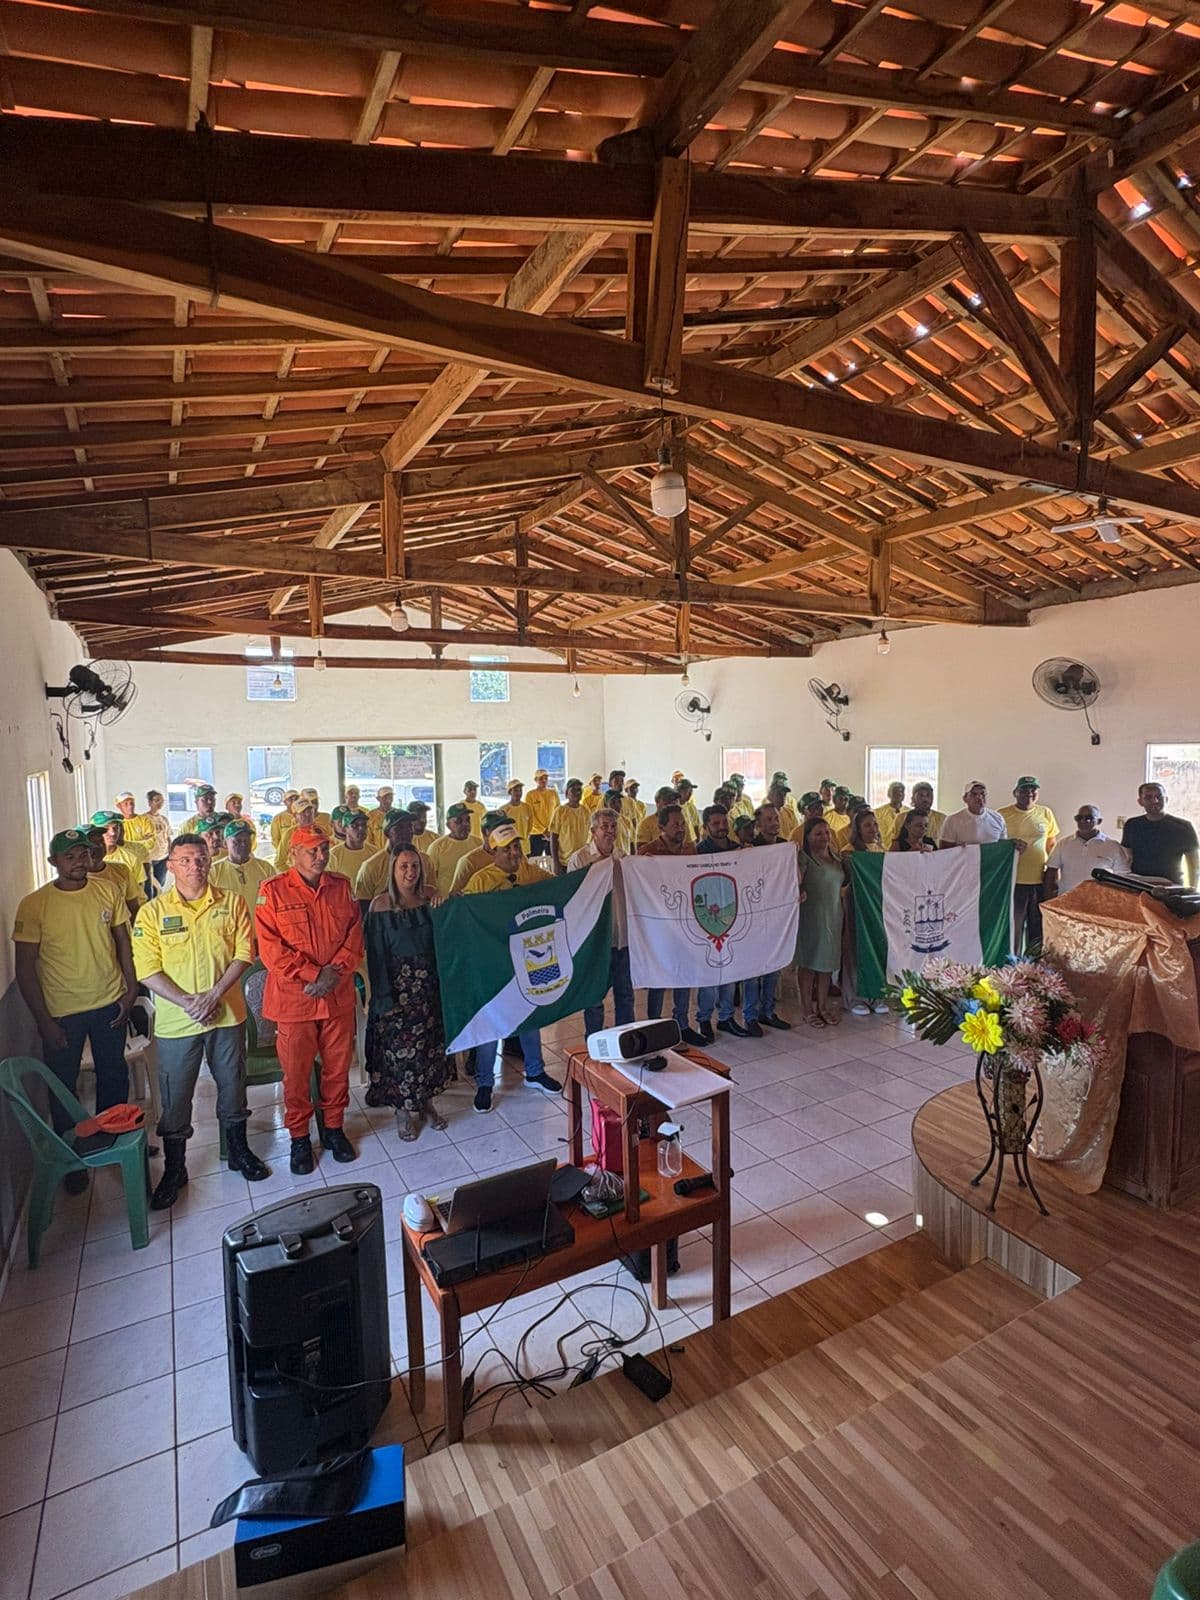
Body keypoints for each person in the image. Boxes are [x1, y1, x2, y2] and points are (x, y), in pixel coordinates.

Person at [133, 835, 268, 1207]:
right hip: (178, 1024)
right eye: (186, 860)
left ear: (210, 862)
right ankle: (176, 1168)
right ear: (171, 866)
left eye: (201, 859)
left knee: (232, 1085)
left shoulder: (232, 903)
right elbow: (147, 970)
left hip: (226, 1015)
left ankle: (239, 1151)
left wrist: (214, 995)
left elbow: (244, 953)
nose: (195, 866)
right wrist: (187, 1001)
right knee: (176, 1097)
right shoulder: (152, 914)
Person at [13, 829, 137, 1184]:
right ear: (54, 862)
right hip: (63, 1012)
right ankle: (72, 1156)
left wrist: (129, 991)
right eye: (70, 857)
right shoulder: (34, 904)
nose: (79, 862)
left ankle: (109, 1139)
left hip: (109, 1002)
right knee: (63, 1085)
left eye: (83, 854)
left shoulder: (107, 890)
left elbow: (123, 944)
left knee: (113, 1074)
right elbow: (24, 969)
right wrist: (44, 1021)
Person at [256, 826, 365, 1172]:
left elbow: (354, 935)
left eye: (324, 849)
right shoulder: (272, 892)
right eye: (312, 851)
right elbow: (271, 950)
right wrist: (314, 974)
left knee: (336, 1070)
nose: (321, 856)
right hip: (295, 1001)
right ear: (293, 854)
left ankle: (333, 1130)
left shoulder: (341, 886)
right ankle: (300, 1138)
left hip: (336, 996)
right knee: (297, 1076)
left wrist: (334, 972)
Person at [463, 824, 563, 1112]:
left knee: (530, 1012)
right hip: (494, 961)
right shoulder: (481, 880)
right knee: (491, 1019)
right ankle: (485, 1082)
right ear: (494, 851)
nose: (513, 852)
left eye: (516, 846)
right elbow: (468, 916)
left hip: (525, 957)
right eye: (506, 848)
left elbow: (558, 887)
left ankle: (535, 1071)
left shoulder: (530, 873)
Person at [365, 844, 450, 1142]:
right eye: (404, 866)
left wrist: (445, 902)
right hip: (397, 990)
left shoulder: (428, 897)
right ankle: (402, 1111)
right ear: (392, 869)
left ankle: (425, 1103)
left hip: (429, 988)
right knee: (400, 1056)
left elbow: (447, 930)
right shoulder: (380, 905)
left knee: (428, 1050)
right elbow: (375, 957)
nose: (410, 872)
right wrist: (383, 998)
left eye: (414, 866)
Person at [568, 807, 634, 1041]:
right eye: (604, 826)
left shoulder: (623, 857)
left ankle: (626, 1040)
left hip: (621, 937)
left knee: (625, 994)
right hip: (596, 940)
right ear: (593, 830)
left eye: (613, 826)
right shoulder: (580, 859)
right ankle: (595, 1041)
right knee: (594, 998)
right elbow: (574, 898)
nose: (609, 831)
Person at [637, 804, 700, 1044]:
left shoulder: (690, 850)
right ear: (661, 826)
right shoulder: (647, 853)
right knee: (660, 975)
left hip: (685, 922)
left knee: (684, 973)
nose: (681, 829)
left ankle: (682, 1023)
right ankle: (654, 1025)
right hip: (659, 926)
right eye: (675, 825)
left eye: (682, 824)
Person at [693, 805, 749, 1040]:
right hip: (706, 918)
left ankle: (726, 1017)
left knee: (731, 970)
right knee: (708, 974)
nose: (721, 827)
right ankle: (704, 1019)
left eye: (724, 822)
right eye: (715, 824)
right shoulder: (698, 852)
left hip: (732, 915)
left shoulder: (739, 850)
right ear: (706, 827)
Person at [743, 804, 792, 1033]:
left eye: (776, 818)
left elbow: (793, 879)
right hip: (754, 916)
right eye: (769, 819)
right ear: (759, 825)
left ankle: (768, 1011)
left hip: (777, 916)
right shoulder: (751, 849)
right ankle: (750, 1015)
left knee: (774, 965)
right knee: (753, 970)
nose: (774, 822)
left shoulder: (785, 846)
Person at [1000, 776, 1059, 951]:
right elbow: (994, 843)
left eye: (1033, 790)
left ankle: (1034, 970)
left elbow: (1051, 844)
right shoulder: (1002, 814)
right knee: (1014, 930)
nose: (1029, 793)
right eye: (1024, 790)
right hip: (1013, 882)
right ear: (1015, 793)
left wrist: (1054, 874)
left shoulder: (1045, 813)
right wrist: (1009, 844)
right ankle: (1012, 967)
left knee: (1037, 929)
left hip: (1039, 882)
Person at [840, 810, 890, 1017]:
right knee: (855, 950)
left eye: (875, 824)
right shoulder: (848, 852)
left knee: (877, 948)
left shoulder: (881, 849)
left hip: (877, 907)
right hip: (855, 906)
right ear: (858, 829)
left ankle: (876, 995)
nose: (872, 829)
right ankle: (855, 998)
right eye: (867, 825)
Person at [796, 816, 843, 1028]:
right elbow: (794, 882)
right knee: (808, 964)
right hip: (811, 917)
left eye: (827, 832)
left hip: (833, 916)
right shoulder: (803, 858)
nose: (824, 837)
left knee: (826, 964)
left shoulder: (837, 858)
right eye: (818, 833)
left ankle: (823, 1007)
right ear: (808, 837)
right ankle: (808, 1010)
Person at [1120, 783, 1200, 887]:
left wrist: (1192, 889)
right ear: (1140, 802)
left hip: (1171, 886)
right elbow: (1126, 859)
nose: (1155, 801)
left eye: (1159, 797)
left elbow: (1193, 864)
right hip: (1138, 885)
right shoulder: (1132, 825)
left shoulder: (1183, 827)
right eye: (1148, 797)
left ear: (1166, 799)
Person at [1045, 806, 1131, 896]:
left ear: (1099, 821)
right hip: (1067, 901)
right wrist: (1049, 897)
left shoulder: (1113, 846)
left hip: (1098, 902)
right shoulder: (1063, 844)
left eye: (1089, 818)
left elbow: (1123, 876)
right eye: (1079, 818)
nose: (1083, 821)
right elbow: (1051, 871)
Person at [210, 819, 276, 933]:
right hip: (229, 938)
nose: (243, 844)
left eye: (247, 840)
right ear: (225, 844)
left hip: (261, 936)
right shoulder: (213, 872)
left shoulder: (265, 868)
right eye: (237, 841)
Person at [354, 809, 424, 907]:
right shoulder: (371, 866)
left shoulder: (425, 861)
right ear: (387, 833)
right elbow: (363, 907)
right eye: (399, 828)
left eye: (409, 826)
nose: (406, 831)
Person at [83, 824, 141, 919]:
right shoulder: (76, 880)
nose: (99, 846)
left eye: (101, 841)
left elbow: (133, 907)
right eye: (91, 843)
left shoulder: (122, 869)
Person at [447, 810, 510, 896]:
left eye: (507, 827)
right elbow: (455, 897)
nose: (505, 832)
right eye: (498, 829)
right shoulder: (469, 862)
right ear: (485, 832)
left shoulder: (517, 856)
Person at [93, 811, 147, 905]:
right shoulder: (87, 861)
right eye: (106, 828)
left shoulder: (131, 858)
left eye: (115, 828)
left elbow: (139, 893)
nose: (113, 833)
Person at [426, 803, 478, 897]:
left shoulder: (478, 844)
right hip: (447, 903)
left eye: (467, 820)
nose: (465, 824)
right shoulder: (437, 848)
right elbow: (430, 881)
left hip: (473, 901)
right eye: (459, 821)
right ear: (448, 825)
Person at [940, 781, 1008, 847]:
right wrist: (959, 849)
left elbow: (1003, 848)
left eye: (982, 793)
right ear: (965, 798)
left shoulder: (998, 819)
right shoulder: (952, 821)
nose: (979, 797)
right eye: (974, 794)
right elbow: (944, 852)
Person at [549, 777, 591, 873]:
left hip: (582, 861)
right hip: (564, 862)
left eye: (579, 790)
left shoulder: (585, 811)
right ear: (566, 793)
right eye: (573, 790)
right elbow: (553, 838)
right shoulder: (560, 811)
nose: (577, 793)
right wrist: (556, 862)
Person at [525, 767, 560, 858]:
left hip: (552, 833)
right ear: (536, 780)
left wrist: (551, 829)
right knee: (534, 860)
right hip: (536, 834)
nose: (544, 780)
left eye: (546, 778)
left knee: (553, 860)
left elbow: (558, 812)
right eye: (541, 778)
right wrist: (543, 830)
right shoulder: (530, 795)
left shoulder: (553, 793)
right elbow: (531, 816)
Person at [144, 790, 173, 892]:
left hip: (163, 857)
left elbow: (168, 837)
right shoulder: (144, 819)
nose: (160, 803)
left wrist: (170, 854)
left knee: (160, 885)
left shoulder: (164, 819)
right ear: (150, 802)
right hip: (150, 858)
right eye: (157, 800)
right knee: (149, 886)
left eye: (161, 800)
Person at [503, 778, 533, 852]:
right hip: (510, 849)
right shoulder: (503, 810)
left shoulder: (527, 807)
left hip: (525, 848)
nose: (518, 793)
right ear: (510, 792)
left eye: (520, 790)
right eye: (516, 790)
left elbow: (529, 827)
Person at [876, 782, 907, 850]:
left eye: (901, 792)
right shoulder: (878, 812)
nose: (898, 794)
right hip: (883, 850)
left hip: (904, 850)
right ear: (889, 794)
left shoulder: (909, 813)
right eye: (895, 792)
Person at [365, 786, 395, 852]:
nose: (388, 800)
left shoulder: (397, 814)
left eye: (390, 797)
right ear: (378, 799)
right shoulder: (370, 816)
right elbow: (368, 839)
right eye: (384, 797)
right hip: (376, 854)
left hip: (395, 854)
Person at [270, 790, 300, 855]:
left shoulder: (305, 816)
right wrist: (283, 853)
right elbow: (275, 840)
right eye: (290, 799)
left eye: (296, 799)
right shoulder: (278, 818)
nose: (294, 802)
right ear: (285, 802)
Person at [676, 778, 701, 842]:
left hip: (692, 843)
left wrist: (697, 842)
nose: (690, 794)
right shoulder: (673, 808)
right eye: (687, 791)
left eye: (691, 791)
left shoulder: (691, 807)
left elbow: (696, 827)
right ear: (679, 791)